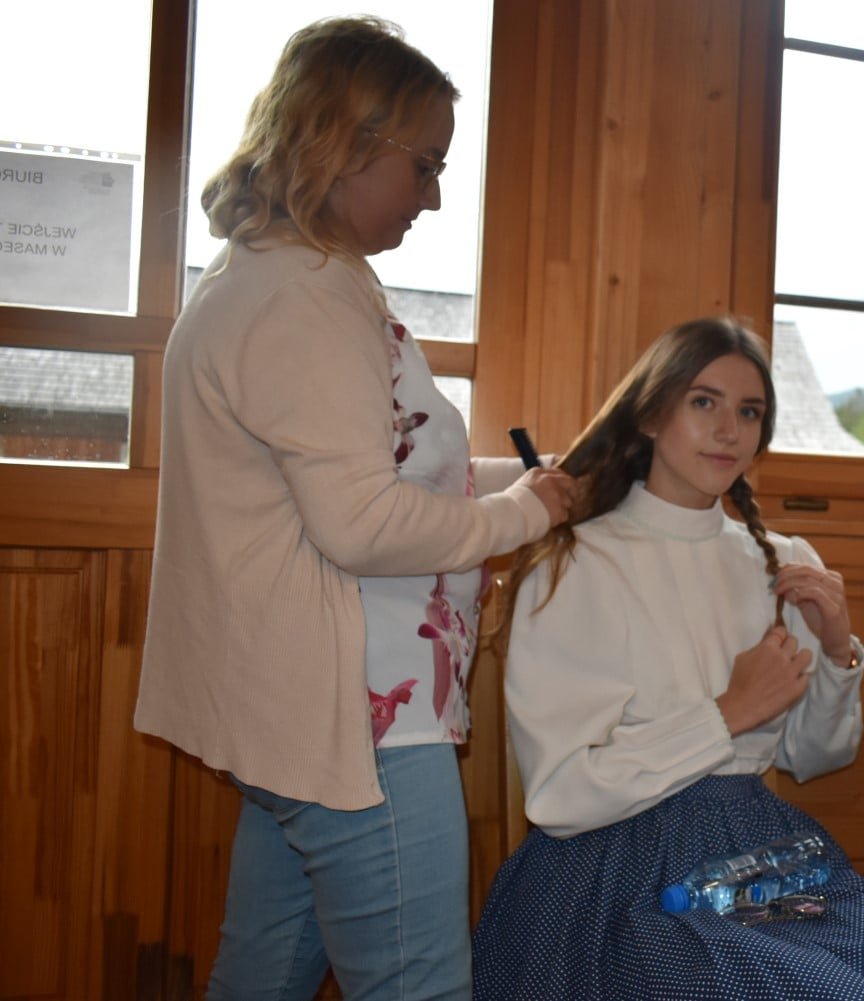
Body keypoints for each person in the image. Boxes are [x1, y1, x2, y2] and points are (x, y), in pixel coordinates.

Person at [133, 16, 575, 1000]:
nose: (434, 194)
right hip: (361, 716)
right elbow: (364, 523)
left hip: (306, 712)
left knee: (261, 976)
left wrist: (530, 488)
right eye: (424, 165)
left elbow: (374, 480)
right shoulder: (305, 294)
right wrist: (524, 515)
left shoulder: (274, 272)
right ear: (347, 141)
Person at [471, 317, 864, 1000]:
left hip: (763, 868)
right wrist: (727, 713)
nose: (729, 429)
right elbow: (561, 794)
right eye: (703, 401)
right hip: (614, 874)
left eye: (750, 411)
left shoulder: (782, 561)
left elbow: (815, 756)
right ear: (650, 414)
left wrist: (836, 653)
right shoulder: (576, 564)